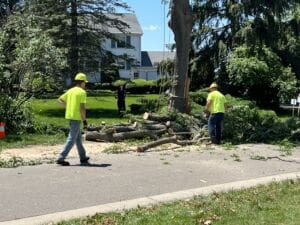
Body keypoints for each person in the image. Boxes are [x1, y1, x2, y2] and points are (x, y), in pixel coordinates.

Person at [56, 73, 90, 166]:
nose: (85, 84)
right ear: (82, 82)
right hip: (76, 117)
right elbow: (82, 108)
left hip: (70, 116)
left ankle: (83, 157)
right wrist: (84, 120)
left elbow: (59, 100)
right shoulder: (82, 92)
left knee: (78, 138)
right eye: (85, 83)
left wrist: (68, 106)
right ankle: (61, 157)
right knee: (71, 138)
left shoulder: (71, 91)